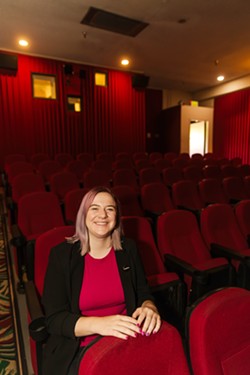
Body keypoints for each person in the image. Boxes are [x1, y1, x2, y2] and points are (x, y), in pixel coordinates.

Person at [42, 186, 161, 375]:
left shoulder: (128, 249)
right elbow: (54, 320)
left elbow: (143, 292)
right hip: (80, 348)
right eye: (94, 208)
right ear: (83, 215)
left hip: (126, 340)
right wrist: (100, 324)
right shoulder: (61, 255)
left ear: (116, 217)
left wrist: (149, 306)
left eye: (110, 209)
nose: (103, 215)